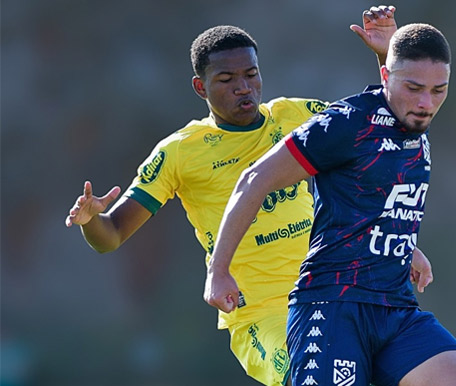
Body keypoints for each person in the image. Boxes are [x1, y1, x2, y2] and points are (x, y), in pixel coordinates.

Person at [65, 6, 434, 386]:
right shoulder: (179, 152)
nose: (243, 87)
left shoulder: (294, 116)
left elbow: (378, 130)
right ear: (200, 87)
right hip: (262, 315)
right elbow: (111, 236)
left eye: (251, 75)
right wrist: (91, 220)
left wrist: (384, 52)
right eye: (226, 79)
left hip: (337, 290)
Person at [205, 23, 456, 386]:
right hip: (333, 307)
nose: (426, 102)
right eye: (414, 88)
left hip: (395, 308)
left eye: (438, 90)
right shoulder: (346, 123)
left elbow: (371, 190)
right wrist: (218, 270)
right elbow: (254, 180)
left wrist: (406, 243)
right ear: (386, 78)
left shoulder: (412, 117)